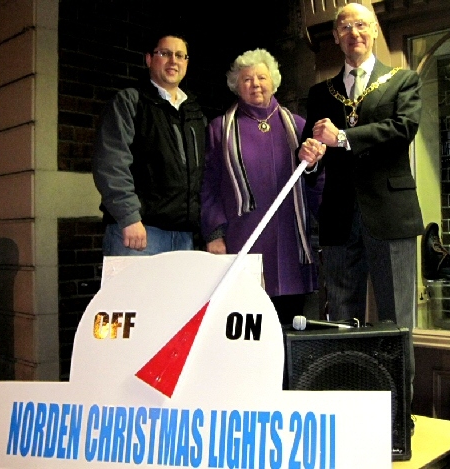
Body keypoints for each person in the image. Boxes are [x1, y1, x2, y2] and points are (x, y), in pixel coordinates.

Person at [297, 3, 423, 334]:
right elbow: (311, 157)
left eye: (361, 25)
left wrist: (343, 137)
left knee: (397, 321)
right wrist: (308, 157)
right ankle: (347, 385)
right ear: (336, 38)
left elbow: (403, 129)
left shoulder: (403, 81)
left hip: (391, 214)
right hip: (338, 218)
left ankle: (399, 389)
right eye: (345, 28)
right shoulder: (320, 94)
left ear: (375, 30)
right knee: (339, 319)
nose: (354, 33)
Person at [201, 48, 325, 325]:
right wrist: (214, 234)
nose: (255, 84)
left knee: (291, 324)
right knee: (247, 324)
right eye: (246, 79)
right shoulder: (220, 129)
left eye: (261, 77)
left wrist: (316, 164)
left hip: (290, 241)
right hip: (243, 237)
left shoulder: (297, 125)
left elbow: (315, 180)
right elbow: (208, 186)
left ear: (273, 81)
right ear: (236, 86)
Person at [92, 32, 206, 256]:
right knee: (133, 293)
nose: (173, 60)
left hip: (184, 237)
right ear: (149, 59)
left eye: (180, 55)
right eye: (165, 53)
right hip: (139, 234)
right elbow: (111, 163)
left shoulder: (195, 114)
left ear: (186, 63)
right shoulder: (130, 102)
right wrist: (129, 217)